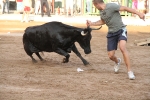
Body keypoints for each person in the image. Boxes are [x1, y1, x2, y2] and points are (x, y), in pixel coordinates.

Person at [86, 0, 145, 80]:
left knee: (122, 48)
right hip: (111, 33)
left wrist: (139, 13)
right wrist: (92, 23)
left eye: (94, 5)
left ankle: (129, 71)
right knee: (111, 55)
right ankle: (117, 61)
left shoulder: (111, 6)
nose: (94, 7)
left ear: (97, 4)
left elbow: (125, 8)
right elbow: (103, 21)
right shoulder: (101, 12)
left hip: (121, 30)